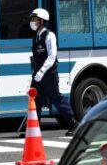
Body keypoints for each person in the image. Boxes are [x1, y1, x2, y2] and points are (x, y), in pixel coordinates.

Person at [29, 8, 78, 136]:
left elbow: (52, 56)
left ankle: (73, 123)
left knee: (57, 99)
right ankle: (34, 129)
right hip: (38, 74)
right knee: (34, 100)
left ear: (41, 21)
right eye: (32, 19)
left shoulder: (49, 35)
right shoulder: (35, 37)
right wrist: (36, 71)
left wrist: (42, 72)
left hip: (49, 74)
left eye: (34, 19)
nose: (32, 21)